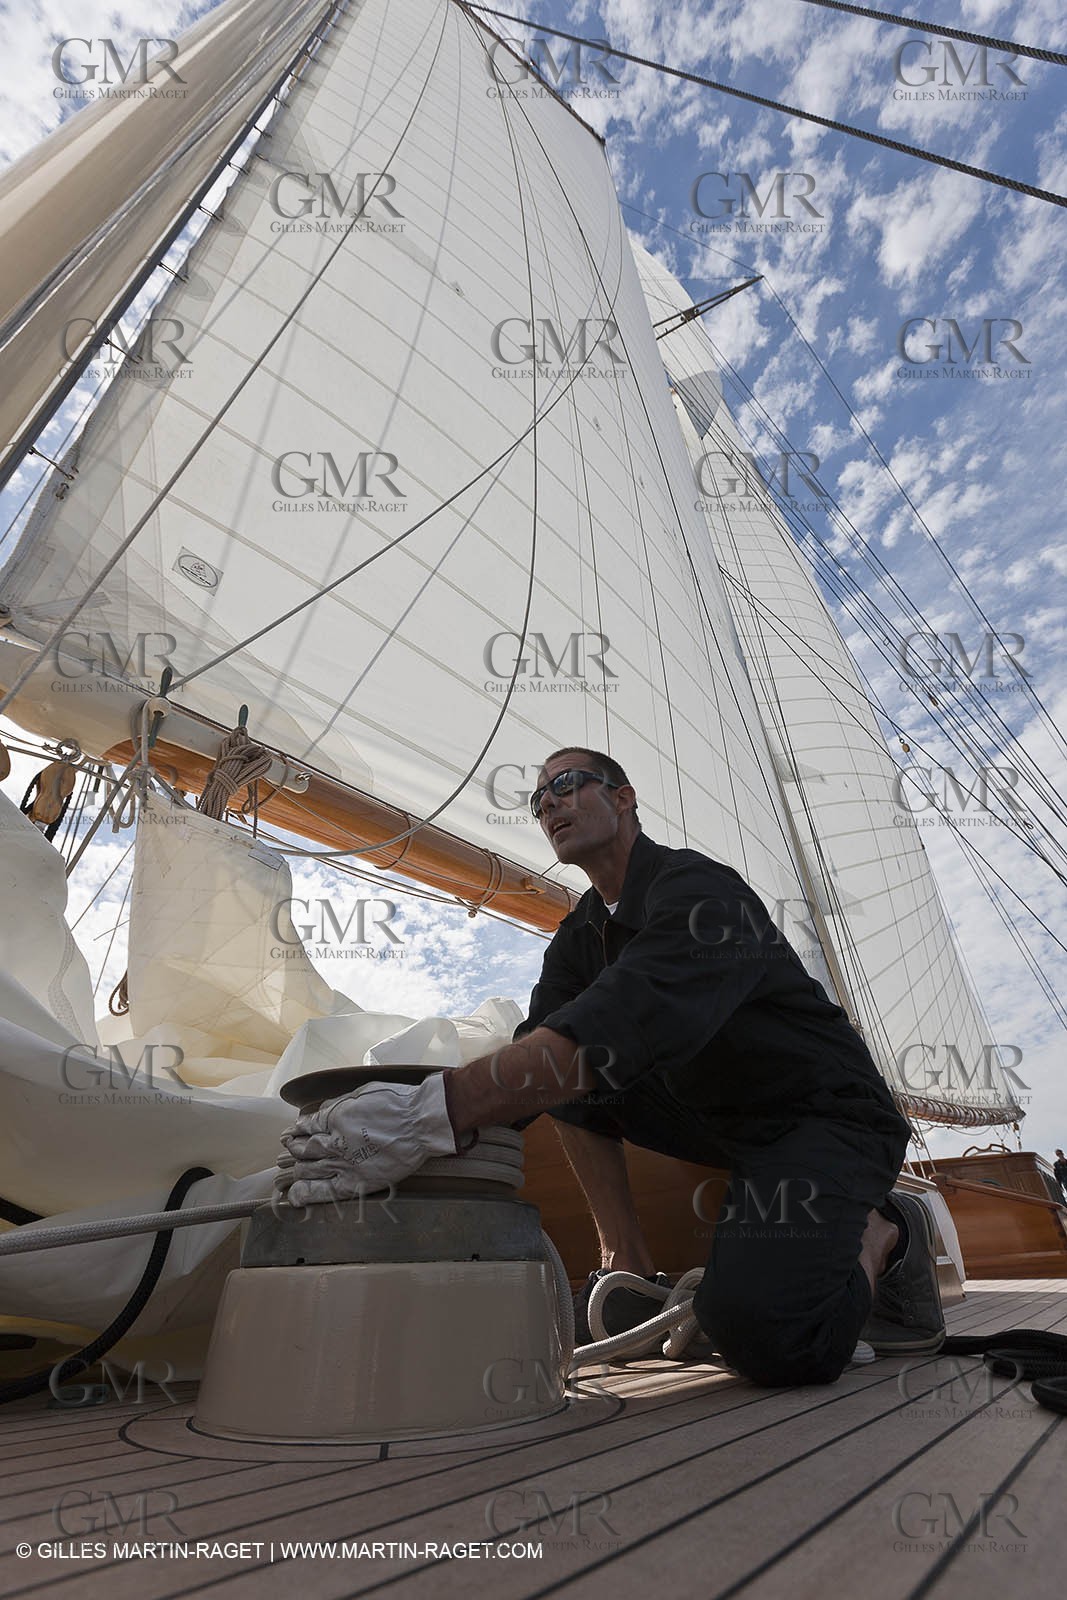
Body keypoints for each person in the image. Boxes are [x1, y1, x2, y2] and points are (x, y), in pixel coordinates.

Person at [276, 746, 945, 1386]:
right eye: (539, 800)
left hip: (825, 1118)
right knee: (548, 1067)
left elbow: (635, 1012)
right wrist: (414, 1126)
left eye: (565, 786)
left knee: (766, 1334)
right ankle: (624, 1262)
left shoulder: (700, 889)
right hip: (723, 1123)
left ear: (622, 799)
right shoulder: (578, 935)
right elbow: (540, 1049)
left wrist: (430, 1112)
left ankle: (885, 1231)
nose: (549, 807)